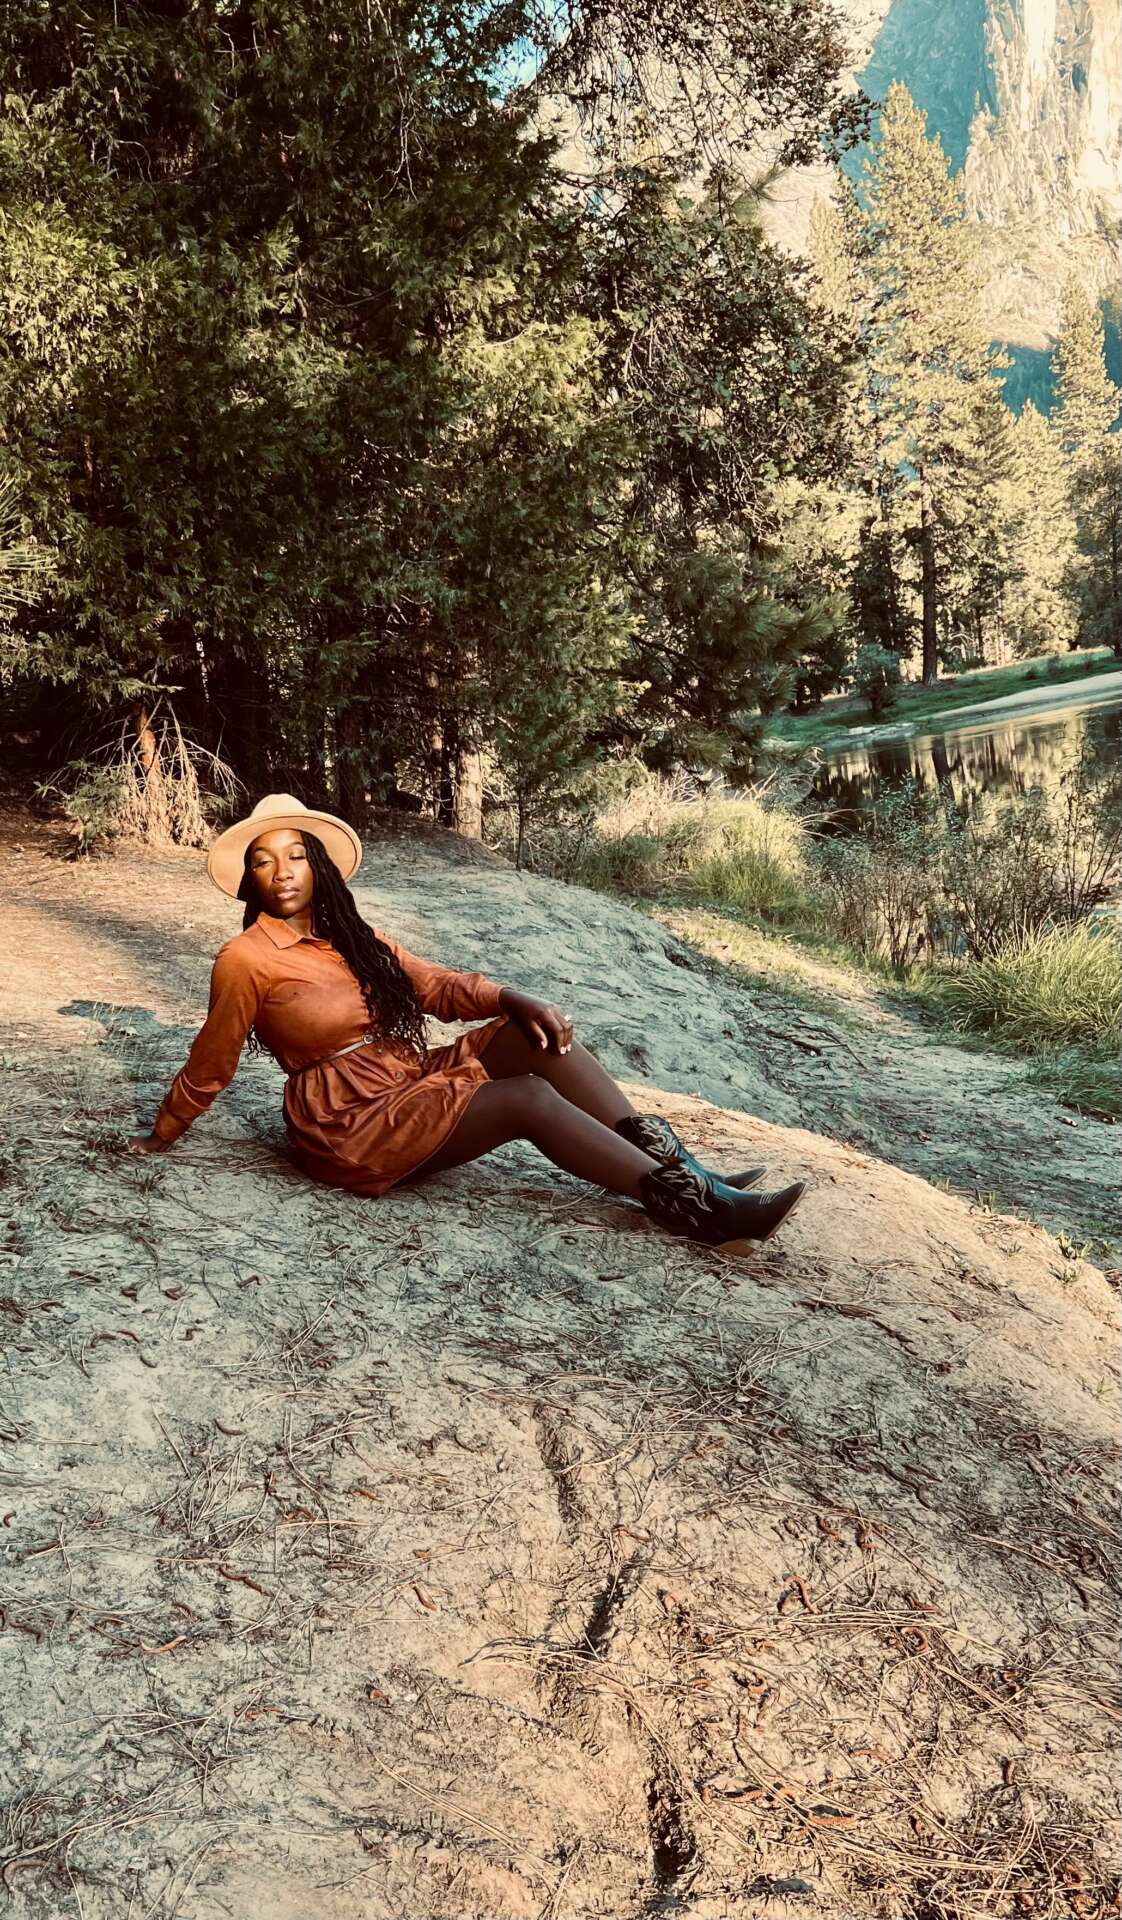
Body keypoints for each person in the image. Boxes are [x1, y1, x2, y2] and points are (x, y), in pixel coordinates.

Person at [127, 794, 805, 1254]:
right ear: (250, 878)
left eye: (295, 855)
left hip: (405, 1080)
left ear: (319, 864)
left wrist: (513, 997)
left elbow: (435, 986)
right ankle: (705, 1215)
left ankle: (693, 1174)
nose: (281, 872)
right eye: (263, 860)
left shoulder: (352, 937)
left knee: (533, 1039)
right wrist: (163, 1133)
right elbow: (212, 1058)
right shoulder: (245, 959)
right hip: (349, 1123)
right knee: (527, 1099)